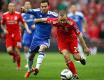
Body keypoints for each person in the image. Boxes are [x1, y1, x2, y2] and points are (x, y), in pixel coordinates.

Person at [45, 10, 90, 79]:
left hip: (72, 40)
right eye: (61, 20)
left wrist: (85, 47)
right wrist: (36, 20)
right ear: (58, 18)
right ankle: (75, 74)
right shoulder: (55, 21)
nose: (63, 22)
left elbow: (80, 36)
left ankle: (81, 59)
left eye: (64, 20)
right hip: (62, 41)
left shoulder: (72, 23)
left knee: (76, 57)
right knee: (66, 56)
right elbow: (45, 19)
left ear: (67, 17)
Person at [24, 0, 58, 78]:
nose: (43, 8)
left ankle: (37, 68)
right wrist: (23, 9)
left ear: (48, 6)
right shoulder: (36, 11)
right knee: (30, 56)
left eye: (45, 6)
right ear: (40, 6)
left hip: (45, 39)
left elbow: (62, 18)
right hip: (35, 39)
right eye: (42, 6)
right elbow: (27, 11)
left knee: (42, 49)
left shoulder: (53, 15)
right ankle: (29, 70)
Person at [1, 3, 31, 70]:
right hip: (9, 34)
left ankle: (18, 66)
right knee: (9, 51)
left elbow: (24, 22)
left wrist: (27, 29)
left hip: (17, 34)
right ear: (8, 7)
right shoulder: (5, 15)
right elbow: (2, 24)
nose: (12, 7)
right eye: (10, 6)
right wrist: (4, 29)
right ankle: (14, 56)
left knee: (17, 50)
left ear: (14, 7)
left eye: (13, 6)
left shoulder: (18, 14)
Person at [21, 1, 35, 68]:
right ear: (24, 6)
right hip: (27, 32)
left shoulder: (34, 13)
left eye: (28, 4)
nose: (27, 5)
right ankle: (27, 62)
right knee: (26, 48)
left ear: (30, 5)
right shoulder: (22, 14)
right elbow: (22, 23)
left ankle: (40, 55)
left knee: (33, 48)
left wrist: (35, 25)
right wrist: (26, 28)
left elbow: (38, 20)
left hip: (35, 32)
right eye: (26, 4)